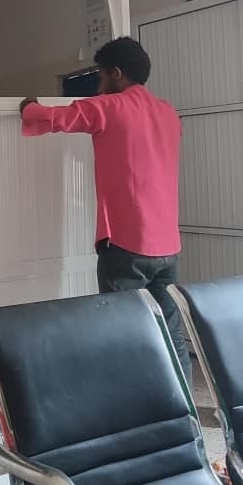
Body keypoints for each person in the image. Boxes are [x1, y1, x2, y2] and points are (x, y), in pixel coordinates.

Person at [20, 36, 190, 382]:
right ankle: (182, 413)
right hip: (168, 245)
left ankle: (132, 413)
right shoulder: (168, 112)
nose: (99, 85)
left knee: (123, 334)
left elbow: (58, 118)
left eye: (100, 77)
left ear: (116, 74)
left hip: (126, 245)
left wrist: (28, 107)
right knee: (170, 333)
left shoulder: (110, 107)